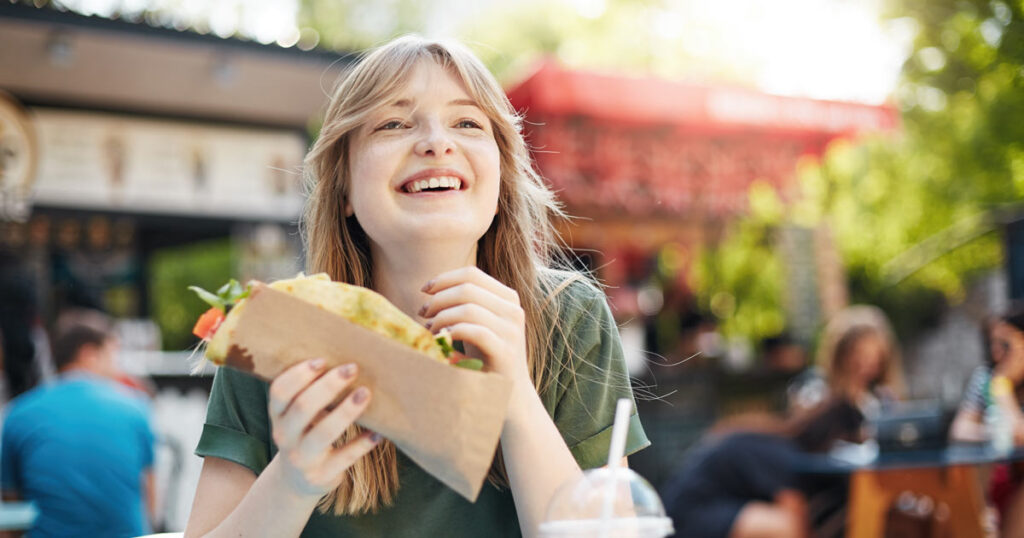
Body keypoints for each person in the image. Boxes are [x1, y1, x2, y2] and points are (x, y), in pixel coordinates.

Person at [184, 36, 649, 538]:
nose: (435, 142)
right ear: (343, 190)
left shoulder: (567, 315)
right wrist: (293, 482)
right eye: (393, 123)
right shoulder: (276, 331)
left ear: (501, 182)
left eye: (467, 123)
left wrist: (513, 392)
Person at [0, 310, 156, 538]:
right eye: (113, 353)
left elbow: (11, 510)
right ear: (89, 354)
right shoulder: (136, 407)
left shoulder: (17, 413)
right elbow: (150, 503)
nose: (118, 366)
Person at [661, 397, 864, 538]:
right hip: (687, 516)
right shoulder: (784, 454)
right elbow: (796, 515)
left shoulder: (777, 439)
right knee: (787, 526)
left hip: (693, 506)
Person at [950, 304, 1024, 537]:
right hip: (994, 479)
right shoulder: (985, 377)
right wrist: (995, 434)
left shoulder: (998, 383)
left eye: (1005, 344)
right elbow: (960, 429)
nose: (996, 352)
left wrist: (1003, 388)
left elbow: (1021, 436)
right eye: (992, 343)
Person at [788, 305, 906, 419]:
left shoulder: (881, 398)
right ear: (841, 356)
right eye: (857, 359)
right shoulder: (817, 390)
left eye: (873, 361)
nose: (864, 367)